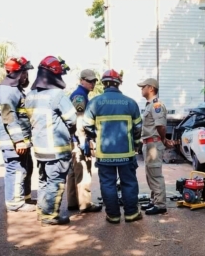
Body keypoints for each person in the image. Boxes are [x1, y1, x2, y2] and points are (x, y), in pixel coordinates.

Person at [83, 69, 143, 224]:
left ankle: (113, 215)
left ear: (103, 84)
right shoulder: (130, 102)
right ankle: (131, 214)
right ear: (118, 84)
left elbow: (87, 126)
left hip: (105, 154)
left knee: (108, 184)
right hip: (126, 153)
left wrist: (97, 137)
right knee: (129, 183)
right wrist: (136, 144)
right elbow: (138, 128)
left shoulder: (95, 102)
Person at [25, 56, 77, 226]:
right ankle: (50, 216)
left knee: (43, 181)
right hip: (57, 148)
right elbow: (72, 119)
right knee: (56, 181)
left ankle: (42, 211)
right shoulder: (57, 94)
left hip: (40, 149)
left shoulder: (31, 95)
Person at [0, 57, 35, 212]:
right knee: (16, 169)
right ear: (17, 72)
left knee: (26, 168)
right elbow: (8, 116)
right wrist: (18, 140)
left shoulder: (14, 88)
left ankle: (25, 197)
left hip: (21, 140)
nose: (26, 76)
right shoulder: (7, 90)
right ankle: (14, 203)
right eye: (24, 72)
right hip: (12, 141)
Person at [66, 69, 102, 213]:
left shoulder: (80, 94)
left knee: (74, 172)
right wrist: (83, 141)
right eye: (89, 81)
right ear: (82, 80)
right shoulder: (80, 96)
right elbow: (79, 120)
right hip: (78, 139)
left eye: (94, 81)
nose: (92, 83)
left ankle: (73, 202)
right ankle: (85, 204)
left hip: (73, 139)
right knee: (84, 171)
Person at [137, 78, 174, 215]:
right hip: (148, 143)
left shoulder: (156, 105)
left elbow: (160, 126)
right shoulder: (149, 105)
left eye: (143, 87)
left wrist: (163, 140)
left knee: (155, 174)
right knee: (150, 174)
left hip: (154, 144)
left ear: (151, 88)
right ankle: (154, 200)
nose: (141, 89)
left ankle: (160, 204)